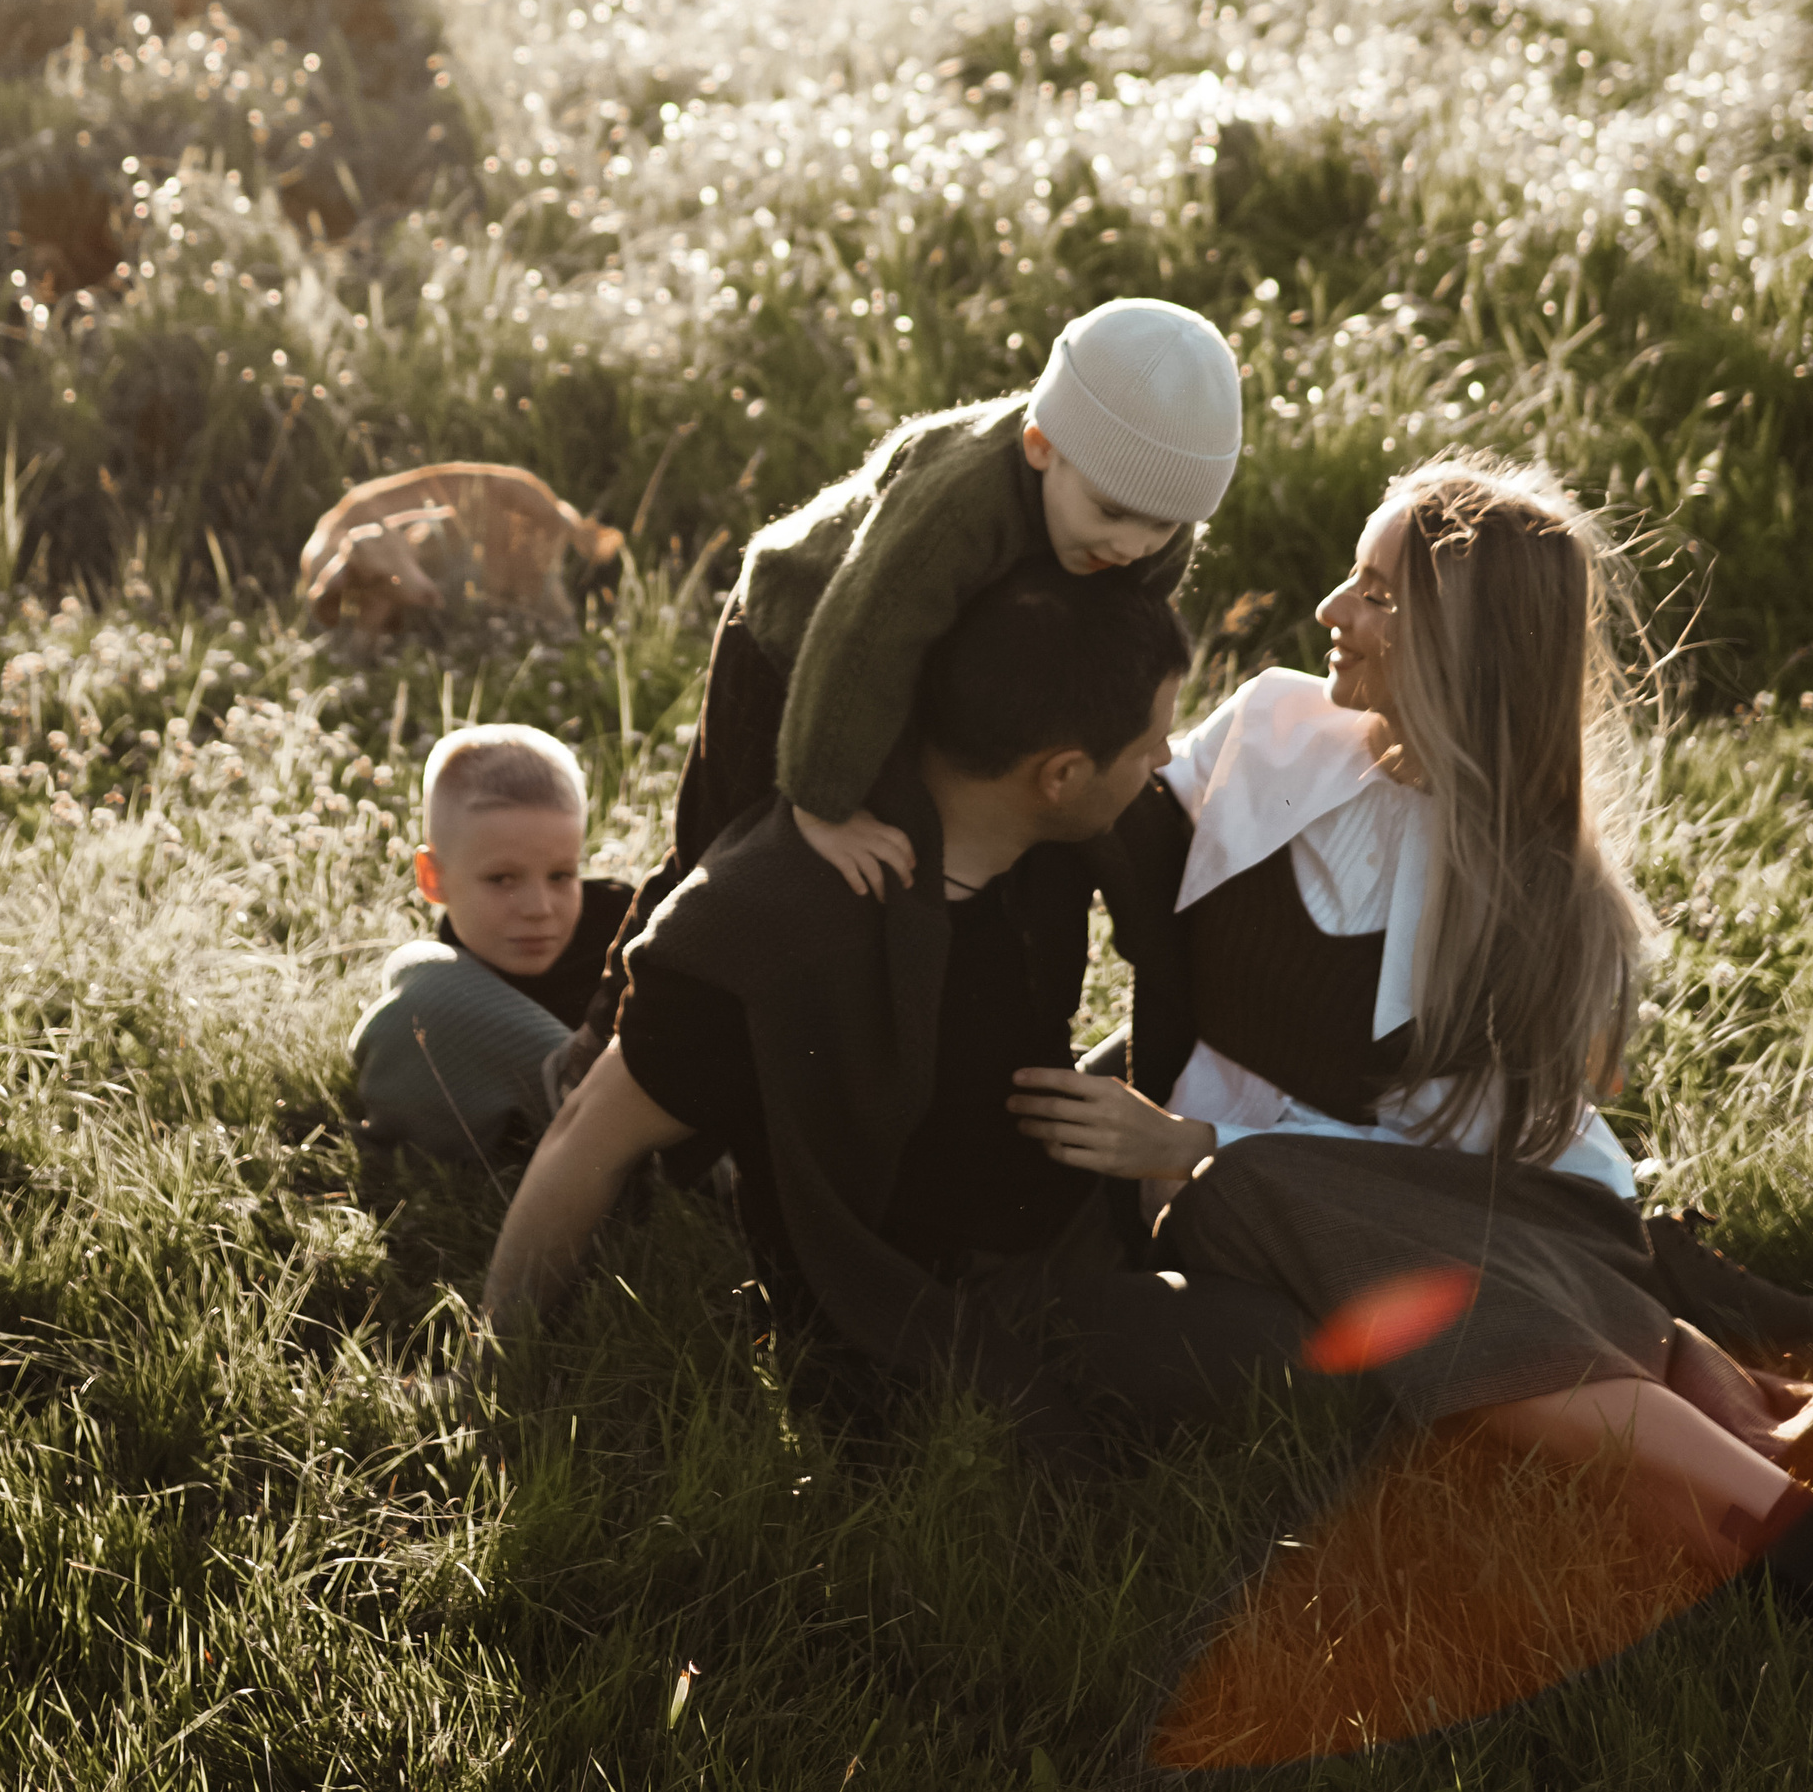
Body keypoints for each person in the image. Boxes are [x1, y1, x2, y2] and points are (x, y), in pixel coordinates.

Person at [1007, 455, 1813, 1711]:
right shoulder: (1267, 726)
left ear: (1457, 648)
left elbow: (1460, 1153)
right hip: (1277, 1196)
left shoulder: (1535, 893)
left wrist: (1197, 1144)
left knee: (1347, 1225)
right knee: (1302, 1209)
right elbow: (1111, 810)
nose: (1328, 610)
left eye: (1371, 591)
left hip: (1433, 1202)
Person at [479, 563, 1313, 1468]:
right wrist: (489, 1376)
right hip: (946, 1282)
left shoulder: (1050, 839)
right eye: (1150, 741)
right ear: (1061, 775)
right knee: (1300, 1354)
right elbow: (585, 1138)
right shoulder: (778, 919)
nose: (1164, 759)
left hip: (1052, 1169)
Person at [567, 299, 1243, 1063]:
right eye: (1114, 512)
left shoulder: (1141, 529)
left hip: (922, 658)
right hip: (798, 637)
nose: (1133, 544)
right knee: (723, 844)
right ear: (1040, 446)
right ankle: (612, 1033)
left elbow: (1109, 640)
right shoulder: (956, 503)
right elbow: (860, 636)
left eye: (1163, 526)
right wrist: (822, 804)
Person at [349, 724, 634, 1171]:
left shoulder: (627, 934)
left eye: (561, 875)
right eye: (502, 879)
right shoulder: (451, 980)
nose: (539, 909)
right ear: (433, 877)